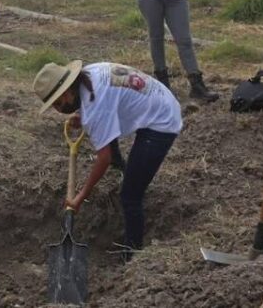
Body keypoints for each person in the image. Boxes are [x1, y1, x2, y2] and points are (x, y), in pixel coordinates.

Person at [33, 60, 182, 259]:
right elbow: (106, 103)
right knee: (109, 144)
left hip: (162, 121)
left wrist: (80, 196)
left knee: (130, 197)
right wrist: (84, 116)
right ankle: (121, 167)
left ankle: (132, 254)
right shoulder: (90, 74)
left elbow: (103, 158)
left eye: (58, 104)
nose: (58, 110)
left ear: (68, 91)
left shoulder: (95, 107)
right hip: (159, 97)